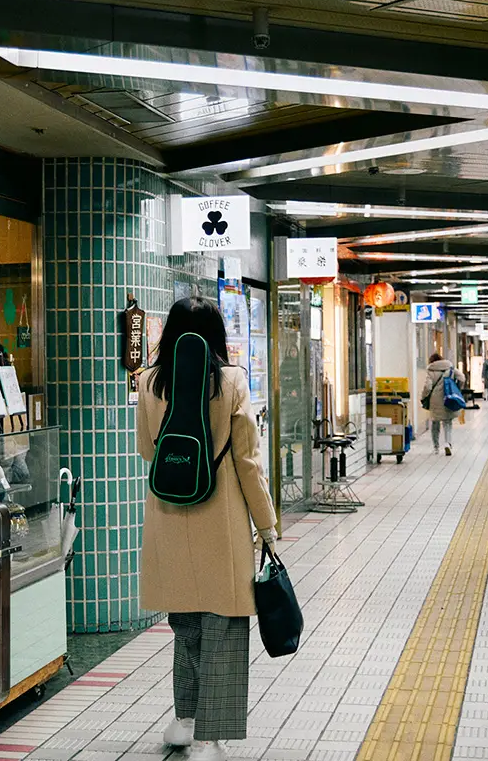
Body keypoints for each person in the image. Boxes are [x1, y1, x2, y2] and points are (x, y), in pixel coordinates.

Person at [137, 297, 278, 761]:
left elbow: (146, 451)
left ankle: (183, 721)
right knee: (223, 628)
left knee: (187, 627)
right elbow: (248, 462)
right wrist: (268, 525)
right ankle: (207, 741)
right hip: (221, 519)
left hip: (169, 516)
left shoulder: (148, 383)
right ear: (217, 335)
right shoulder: (232, 381)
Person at [421, 353, 465, 456]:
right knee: (447, 422)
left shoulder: (431, 370)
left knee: (435, 423)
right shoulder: (450, 367)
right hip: (448, 397)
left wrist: (423, 397)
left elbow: (428, 387)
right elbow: (462, 378)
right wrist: (457, 388)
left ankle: (436, 447)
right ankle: (447, 443)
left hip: (435, 400)